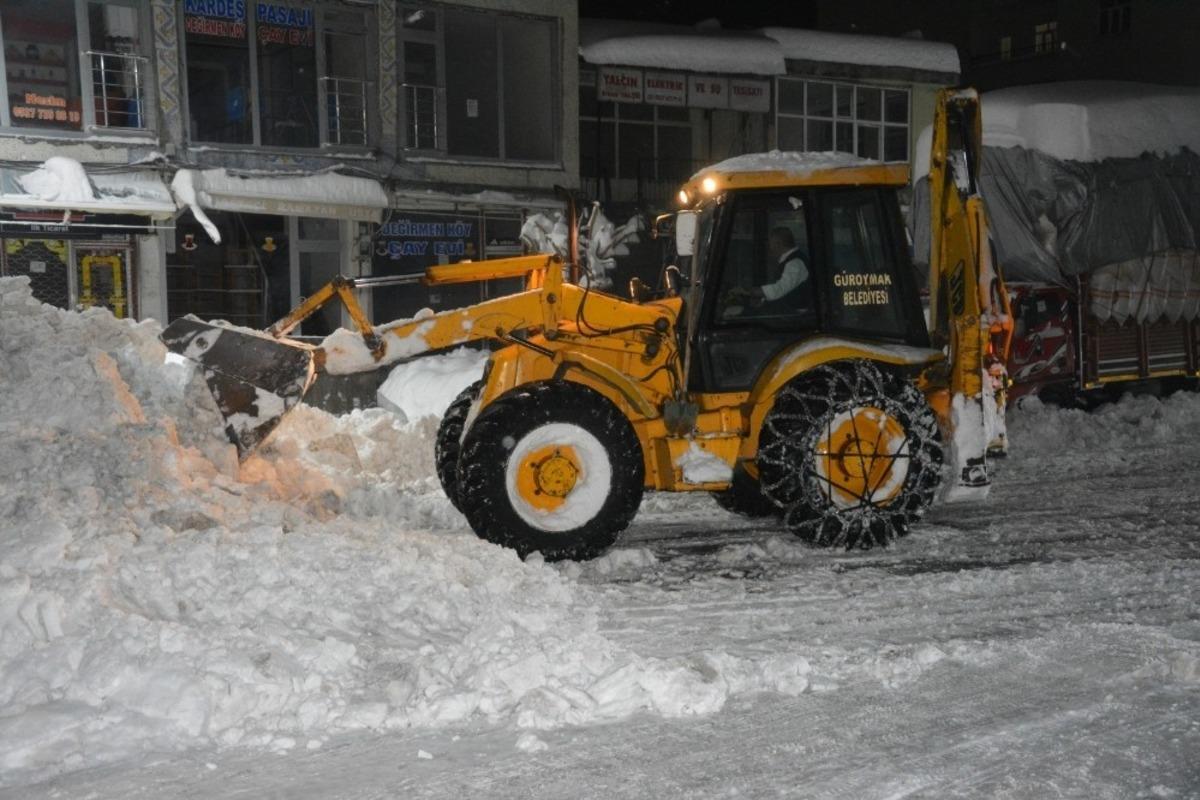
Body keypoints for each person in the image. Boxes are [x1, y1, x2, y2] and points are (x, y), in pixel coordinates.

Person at [727, 227, 809, 311]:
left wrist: (746, 291)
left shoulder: (795, 263)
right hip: (786, 310)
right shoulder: (790, 261)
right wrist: (762, 300)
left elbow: (779, 289)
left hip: (795, 313)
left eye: (770, 244)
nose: (769, 247)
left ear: (778, 244)